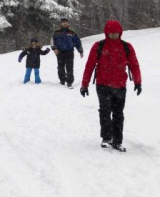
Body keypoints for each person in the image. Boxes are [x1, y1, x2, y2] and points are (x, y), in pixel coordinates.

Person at [80, 20, 142, 152]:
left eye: (116, 33)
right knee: (105, 111)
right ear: (106, 33)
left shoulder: (126, 47)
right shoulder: (99, 46)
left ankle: (118, 141)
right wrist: (84, 84)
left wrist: (138, 82)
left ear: (120, 32)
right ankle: (106, 138)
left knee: (118, 114)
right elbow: (89, 66)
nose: (114, 35)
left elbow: (134, 65)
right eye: (111, 33)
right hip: (102, 85)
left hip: (120, 86)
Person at [52, 18, 84, 88]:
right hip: (59, 52)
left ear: (68, 23)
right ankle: (62, 80)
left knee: (69, 67)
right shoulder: (56, 32)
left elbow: (77, 42)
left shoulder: (72, 32)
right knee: (60, 67)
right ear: (61, 23)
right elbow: (52, 42)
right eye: (63, 22)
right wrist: (54, 49)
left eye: (66, 22)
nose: (65, 23)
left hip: (69, 52)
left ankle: (69, 82)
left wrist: (80, 51)